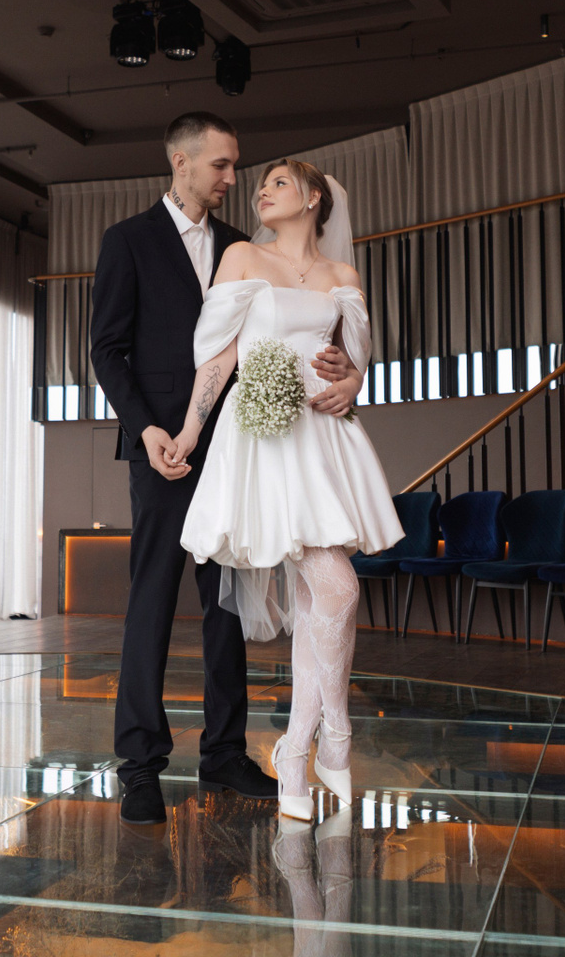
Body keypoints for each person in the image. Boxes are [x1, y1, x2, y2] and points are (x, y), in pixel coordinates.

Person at [90, 114, 363, 826]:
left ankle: (225, 751)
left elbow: (276, 342)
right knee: (152, 597)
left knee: (229, 605)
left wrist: (342, 373)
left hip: (245, 442)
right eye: (221, 164)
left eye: (238, 165)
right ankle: (139, 765)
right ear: (180, 162)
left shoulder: (246, 246)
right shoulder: (127, 240)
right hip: (165, 447)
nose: (233, 178)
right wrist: (149, 429)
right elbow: (107, 350)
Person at [169, 158, 402, 821]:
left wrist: (351, 381)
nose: (261, 191)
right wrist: (190, 430)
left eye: (277, 182)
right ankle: (335, 734)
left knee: (317, 599)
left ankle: (296, 755)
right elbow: (219, 354)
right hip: (265, 438)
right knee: (339, 589)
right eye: (261, 184)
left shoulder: (342, 277)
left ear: (314, 196)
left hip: (322, 439)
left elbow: (353, 364)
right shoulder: (243, 256)